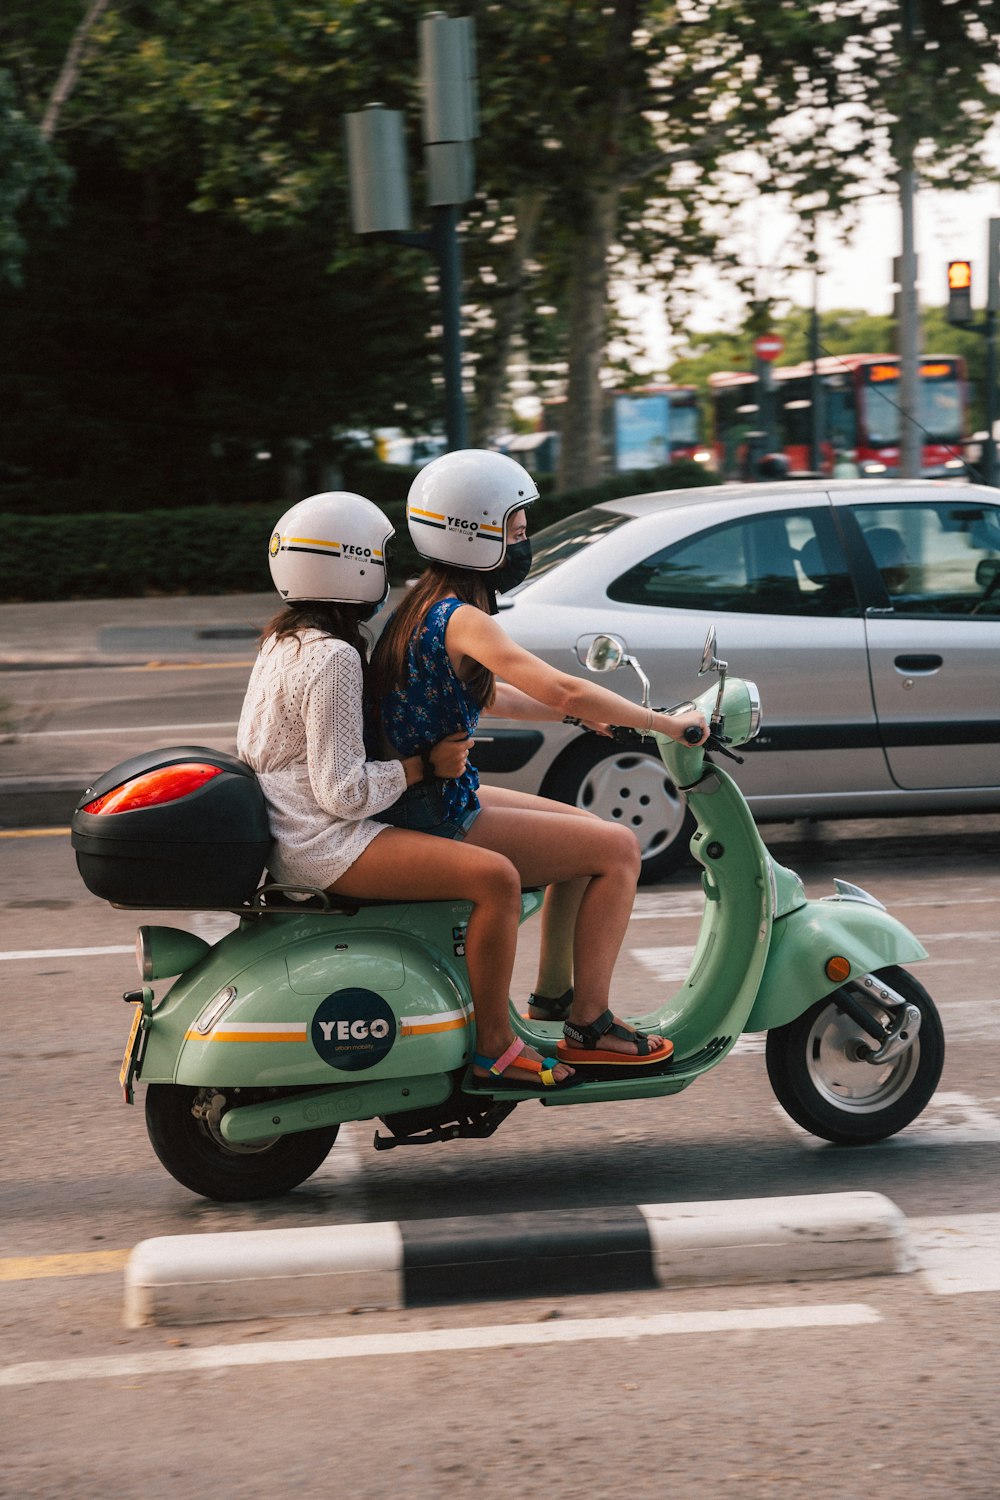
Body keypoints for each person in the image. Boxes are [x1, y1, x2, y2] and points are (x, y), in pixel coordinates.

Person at [368, 449, 709, 1075]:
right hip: (435, 810)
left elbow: (491, 693)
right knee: (619, 850)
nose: (524, 545)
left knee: (584, 834)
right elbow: (562, 686)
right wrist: (664, 723)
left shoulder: (421, 605)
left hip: (432, 796)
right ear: (475, 535)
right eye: (516, 533)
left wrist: (578, 719)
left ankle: (556, 996)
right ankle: (591, 1022)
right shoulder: (463, 617)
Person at [237, 489, 575, 1094]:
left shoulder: (282, 643)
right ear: (351, 563)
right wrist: (423, 767)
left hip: (293, 834)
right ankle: (494, 1046)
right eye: (378, 557)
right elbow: (342, 792)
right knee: (495, 878)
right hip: (326, 842)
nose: (387, 572)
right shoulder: (333, 656)